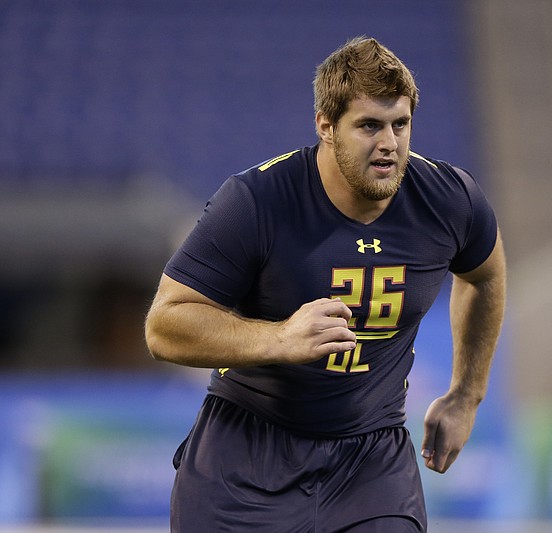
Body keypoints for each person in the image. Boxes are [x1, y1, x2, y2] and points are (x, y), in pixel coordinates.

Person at [144, 36, 506, 533]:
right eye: (369, 126)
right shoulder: (257, 200)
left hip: (372, 460)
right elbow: (164, 325)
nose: (389, 144)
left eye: (401, 124)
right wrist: (278, 338)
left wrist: (467, 395)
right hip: (246, 455)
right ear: (326, 126)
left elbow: (485, 276)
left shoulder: (450, 200)